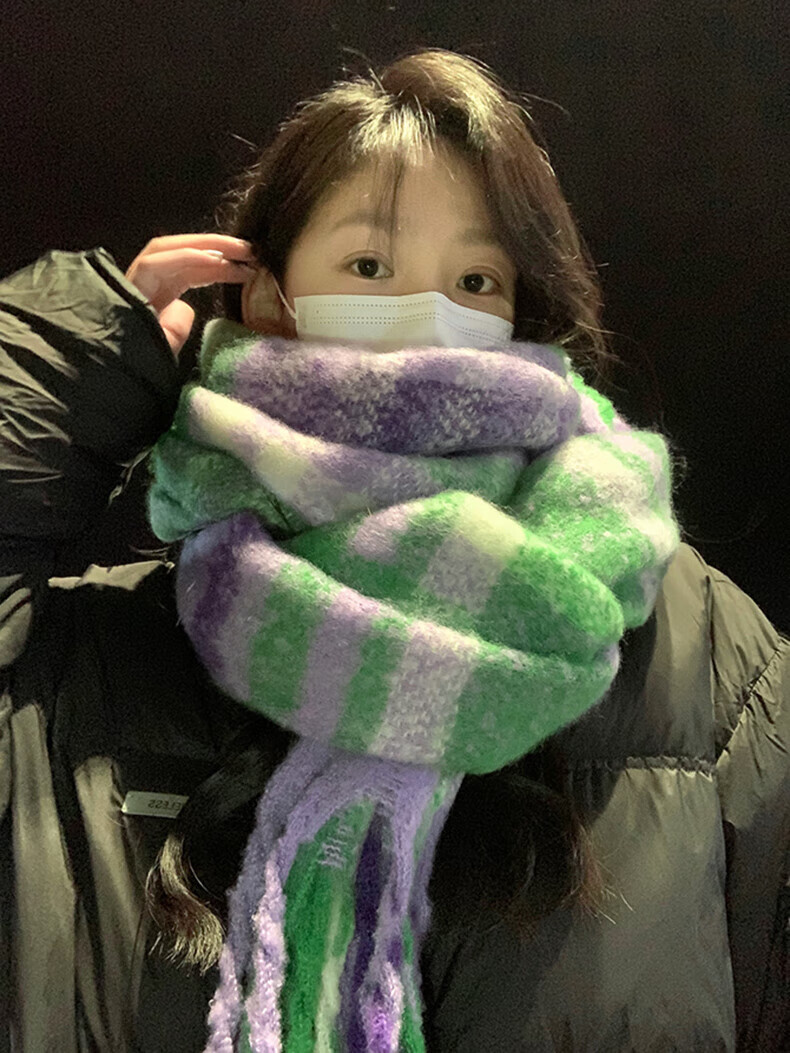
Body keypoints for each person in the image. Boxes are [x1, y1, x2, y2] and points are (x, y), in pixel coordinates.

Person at [0, 48, 787, 1053]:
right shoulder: (98, 661)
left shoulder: (695, 649)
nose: (426, 318)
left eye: (475, 279)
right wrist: (72, 353)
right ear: (272, 298)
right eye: (370, 267)